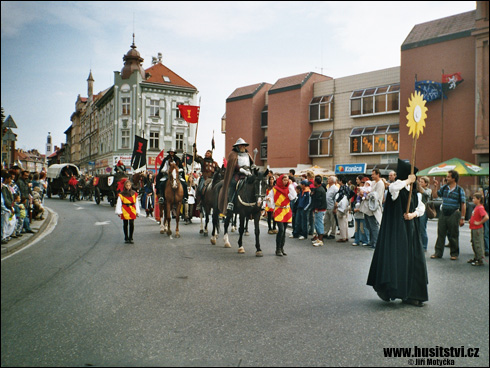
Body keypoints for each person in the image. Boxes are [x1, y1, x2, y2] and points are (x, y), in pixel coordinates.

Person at [367, 159, 428, 307]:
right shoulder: (397, 188)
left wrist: (412, 215)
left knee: (414, 261)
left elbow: (421, 208)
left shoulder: (415, 193)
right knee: (399, 260)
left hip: (411, 230)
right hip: (398, 232)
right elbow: (393, 188)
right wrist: (408, 180)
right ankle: (396, 291)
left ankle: (413, 294)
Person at [430, 169, 466, 260]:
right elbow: (435, 196)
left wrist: (462, 217)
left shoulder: (459, 190)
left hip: (454, 213)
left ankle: (454, 254)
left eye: (448, 177)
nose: (447, 178)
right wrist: (435, 186)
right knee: (440, 233)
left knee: (453, 234)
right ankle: (438, 253)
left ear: (454, 179)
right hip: (443, 213)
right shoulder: (444, 188)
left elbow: (463, 204)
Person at [219, 138, 255, 214]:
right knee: (233, 184)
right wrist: (240, 169)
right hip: (238, 174)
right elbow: (233, 165)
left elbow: (251, 163)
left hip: (248, 174)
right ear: (238, 146)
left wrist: (253, 167)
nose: (243, 147)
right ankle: (231, 202)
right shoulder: (233, 154)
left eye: (244, 145)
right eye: (241, 145)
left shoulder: (248, 154)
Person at [266, 174, 297, 256]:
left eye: (287, 180)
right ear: (280, 180)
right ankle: (278, 249)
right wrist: (269, 201)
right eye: (284, 180)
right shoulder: (274, 189)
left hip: (286, 210)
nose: (286, 182)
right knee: (281, 230)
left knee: (284, 231)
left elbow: (293, 197)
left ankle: (282, 248)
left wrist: (290, 186)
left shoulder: (288, 189)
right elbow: (270, 199)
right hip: (279, 210)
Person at [362, 168, 385, 249]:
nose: (371, 176)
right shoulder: (374, 182)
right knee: (369, 225)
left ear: (377, 174)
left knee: (373, 226)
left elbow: (376, 196)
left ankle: (375, 242)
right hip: (369, 207)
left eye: (373, 174)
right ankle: (372, 241)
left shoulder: (380, 183)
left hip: (374, 207)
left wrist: (367, 195)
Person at [115, 179, 140, 244]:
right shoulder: (121, 194)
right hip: (125, 209)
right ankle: (126, 237)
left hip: (132, 209)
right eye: (127, 185)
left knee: (131, 223)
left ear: (131, 186)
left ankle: (131, 237)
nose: (128, 187)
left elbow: (137, 202)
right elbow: (119, 203)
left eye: (129, 185)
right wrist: (119, 211)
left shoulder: (134, 193)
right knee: (125, 224)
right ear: (125, 186)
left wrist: (137, 211)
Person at [468, 192, 489, 267]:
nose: (473, 200)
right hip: (473, 228)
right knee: (474, 243)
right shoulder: (476, 207)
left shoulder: (480, 208)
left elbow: (486, 217)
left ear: (479, 199)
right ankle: (476, 257)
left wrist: (479, 222)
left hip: (477, 229)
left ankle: (480, 259)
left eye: (474, 198)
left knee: (478, 243)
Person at [310, 175, 327, 247]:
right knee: (317, 223)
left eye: (314, 181)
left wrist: (316, 208)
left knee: (319, 223)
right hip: (320, 208)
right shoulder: (320, 188)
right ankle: (319, 238)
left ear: (316, 182)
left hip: (319, 209)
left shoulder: (319, 190)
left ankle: (320, 239)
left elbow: (318, 200)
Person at [334, 176, 351, 243]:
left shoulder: (342, 188)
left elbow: (340, 196)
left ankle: (343, 237)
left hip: (341, 207)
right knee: (345, 222)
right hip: (347, 206)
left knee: (341, 222)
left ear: (341, 181)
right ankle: (346, 236)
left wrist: (336, 203)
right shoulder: (348, 188)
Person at [418, 176, 432, 251]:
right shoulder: (418, 190)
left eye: (421, 182)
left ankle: (424, 246)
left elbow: (426, 194)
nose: (420, 183)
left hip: (424, 211)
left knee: (422, 228)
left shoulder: (428, 190)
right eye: (419, 181)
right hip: (417, 210)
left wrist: (419, 188)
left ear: (426, 184)